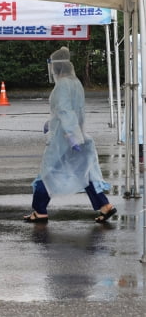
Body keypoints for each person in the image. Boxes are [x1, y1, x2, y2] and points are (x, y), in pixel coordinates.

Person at [23, 46, 116, 224]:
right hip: (78, 135)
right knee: (84, 172)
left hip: (64, 138)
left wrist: (69, 134)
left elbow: (66, 112)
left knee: (48, 172)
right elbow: (74, 110)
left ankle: (40, 210)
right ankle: (105, 206)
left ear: (56, 68)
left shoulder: (62, 86)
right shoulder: (76, 82)